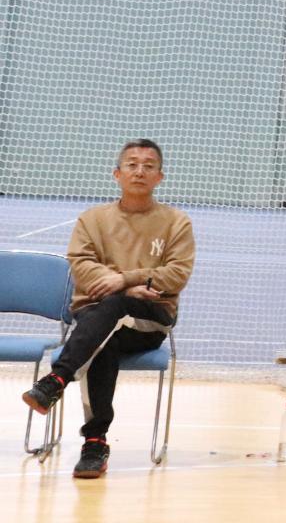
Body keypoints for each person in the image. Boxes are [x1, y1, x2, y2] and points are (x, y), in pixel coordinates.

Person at [21, 139, 195, 480]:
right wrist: (125, 286)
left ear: (160, 177)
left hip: (149, 319)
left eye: (148, 166)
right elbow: (82, 266)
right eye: (132, 164)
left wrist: (123, 280)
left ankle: (58, 379)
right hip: (97, 319)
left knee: (113, 310)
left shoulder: (176, 222)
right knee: (105, 339)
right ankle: (95, 443)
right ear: (117, 174)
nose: (140, 171)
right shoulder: (93, 219)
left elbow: (177, 274)